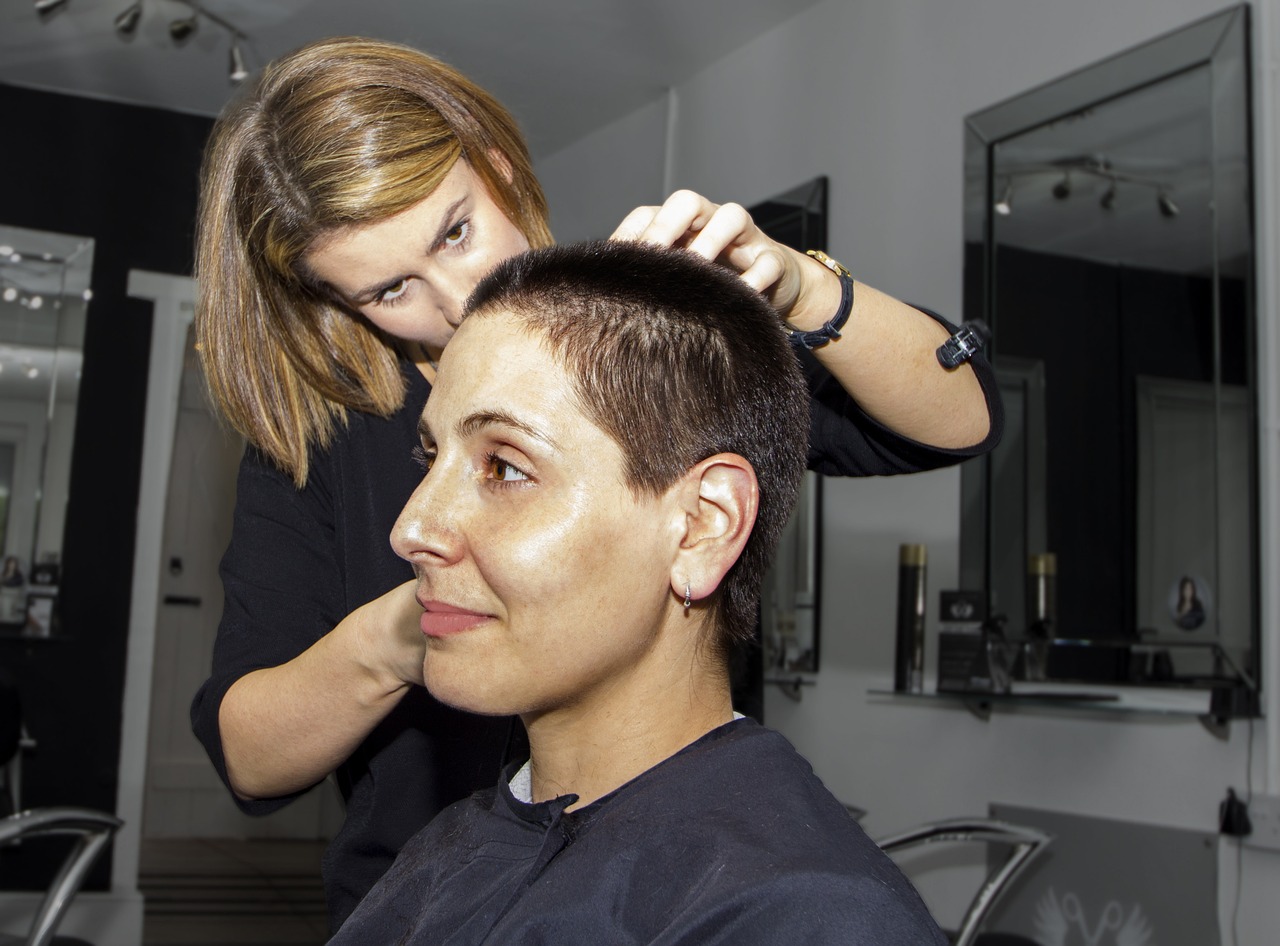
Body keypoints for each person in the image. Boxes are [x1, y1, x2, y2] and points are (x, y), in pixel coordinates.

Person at [189, 36, 1001, 929]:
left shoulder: (631, 344)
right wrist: (409, 627)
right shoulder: (322, 438)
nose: (458, 299)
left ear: (497, 169)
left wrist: (804, 290)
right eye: (391, 291)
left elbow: (959, 420)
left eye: (456, 231)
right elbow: (252, 756)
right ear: (341, 303)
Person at [329, 239, 947, 944]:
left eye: (503, 466)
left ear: (699, 529)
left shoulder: (803, 915)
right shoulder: (455, 845)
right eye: (429, 457)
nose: (410, 528)